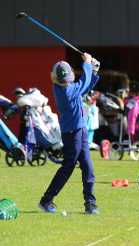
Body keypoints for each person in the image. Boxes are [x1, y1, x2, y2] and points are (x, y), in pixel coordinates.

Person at [39, 53, 100, 214]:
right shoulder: (66, 91)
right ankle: (46, 200)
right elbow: (82, 84)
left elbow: (84, 86)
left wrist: (93, 71)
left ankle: (90, 203)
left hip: (79, 130)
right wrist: (87, 64)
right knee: (69, 167)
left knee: (87, 166)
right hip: (73, 133)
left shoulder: (65, 86)